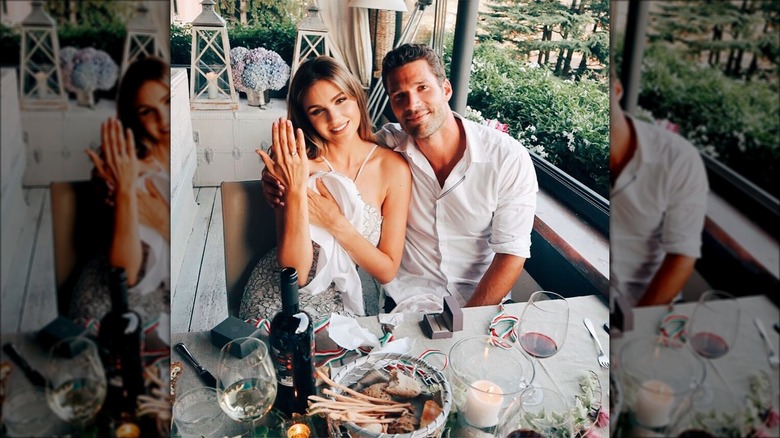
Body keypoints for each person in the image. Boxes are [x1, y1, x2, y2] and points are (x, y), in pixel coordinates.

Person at [264, 44, 538, 313]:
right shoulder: (390, 144)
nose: (413, 104)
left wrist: (465, 326)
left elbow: (511, 254)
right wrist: (274, 177)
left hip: (480, 303)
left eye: (422, 88)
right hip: (409, 301)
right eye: (399, 96)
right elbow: (340, 153)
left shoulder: (507, 158)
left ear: (446, 89)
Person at [240, 56, 412, 319]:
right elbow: (294, 271)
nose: (335, 118)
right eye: (317, 110)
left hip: (348, 296)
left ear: (356, 96)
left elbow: (387, 270)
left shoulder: (393, 168)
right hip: (282, 296)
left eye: (340, 100)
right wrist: (296, 190)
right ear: (305, 118)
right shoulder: (297, 163)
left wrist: (335, 222)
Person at [68, 56, 171, 324]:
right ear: (133, 117)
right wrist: (124, 190)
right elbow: (125, 274)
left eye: (168, 101)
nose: (163, 118)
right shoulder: (127, 168)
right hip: (120, 288)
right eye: (147, 111)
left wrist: (162, 221)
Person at [609, 73, 709, 307]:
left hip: (644, 304)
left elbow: (682, 254)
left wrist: (637, 327)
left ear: (617, 90)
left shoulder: (678, 159)